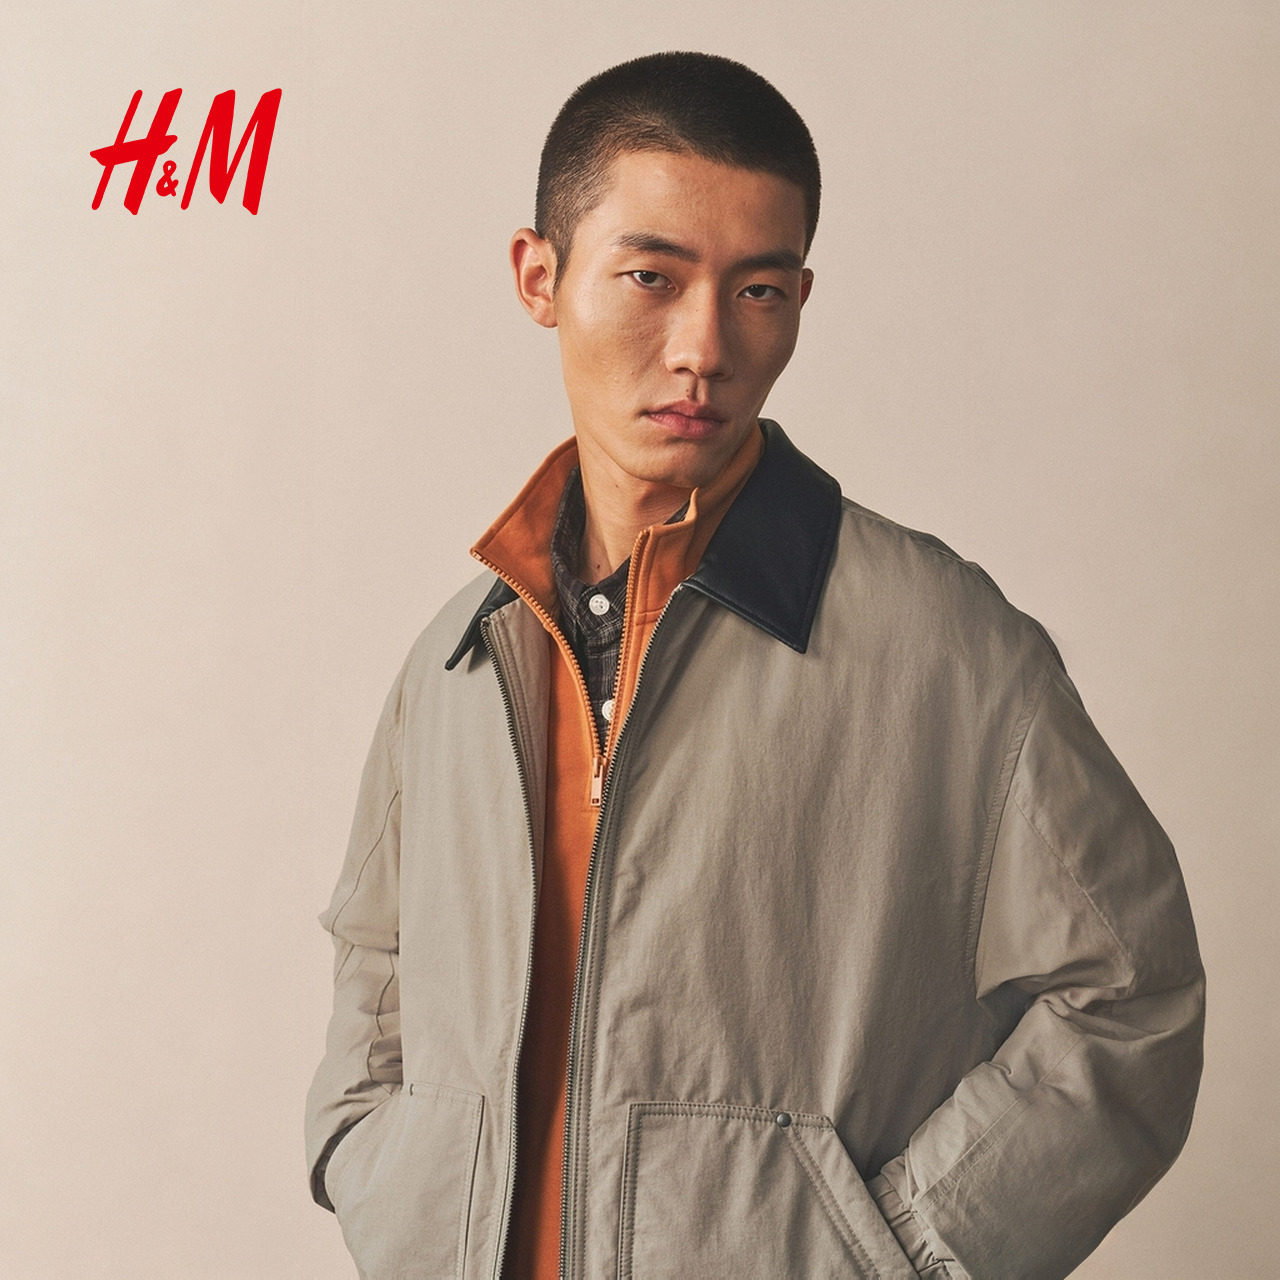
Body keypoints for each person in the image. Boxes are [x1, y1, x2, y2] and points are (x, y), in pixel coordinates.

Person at [305, 51, 1204, 1280]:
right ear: (538, 277)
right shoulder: (458, 664)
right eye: (650, 276)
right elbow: (378, 962)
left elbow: (1130, 993)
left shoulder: (947, 647)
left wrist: (894, 1254)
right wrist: (393, 1187)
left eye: (759, 290)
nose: (704, 346)